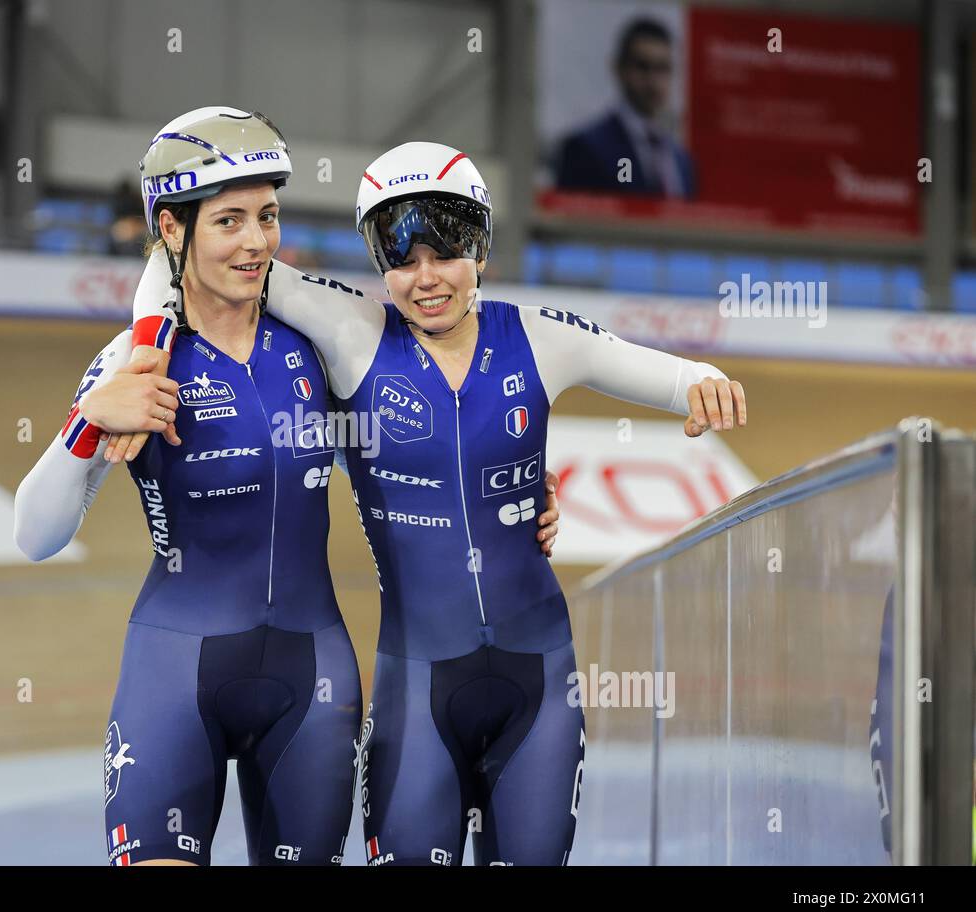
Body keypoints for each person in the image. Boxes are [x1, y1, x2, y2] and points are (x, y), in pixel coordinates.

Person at [126, 138, 746, 865]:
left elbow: (669, 377)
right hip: (415, 693)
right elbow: (171, 263)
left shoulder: (540, 338)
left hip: (537, 690)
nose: (425, 280)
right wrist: (145, 347)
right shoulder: (353, 332)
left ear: (480, 246)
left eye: (446, 254)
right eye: (401, 260)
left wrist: (704, 380)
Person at [15, 108, 369, 866]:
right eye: (230, 220)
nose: (256, 242)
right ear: (172, 231)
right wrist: (85, 426)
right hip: (173, 672)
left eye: (267, 216)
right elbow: (34, 536)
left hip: (312, 680)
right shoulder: (135, 360)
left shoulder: (315, 350)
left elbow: (404, 468)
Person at [553, 17, 695, 198]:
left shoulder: (682, 163)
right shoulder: (586, 149)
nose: (653, 81)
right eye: (643, 67)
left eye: (662, 68)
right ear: (620, 68)